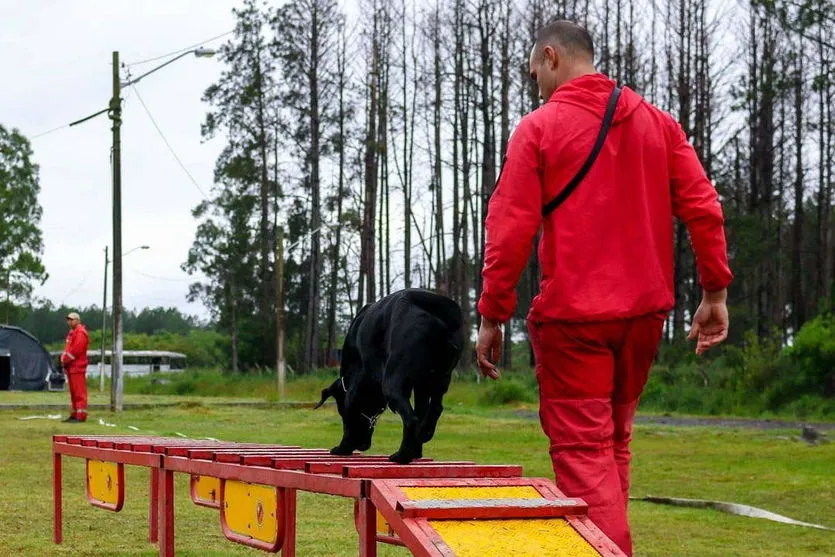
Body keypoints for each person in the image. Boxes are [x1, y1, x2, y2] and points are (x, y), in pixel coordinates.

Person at [475, 20, 732, 556]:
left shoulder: (539, 129)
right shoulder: (658, 123)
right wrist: (714, 294)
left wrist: (493, 314)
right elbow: (704, 207)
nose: (536, 87)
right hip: (643, 319)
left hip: (575, 323)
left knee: (585, 454)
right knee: (613, 447)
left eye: (534, 75)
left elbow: (509, 226)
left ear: (550, 57)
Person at [61, 312, 89, 423]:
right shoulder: (72, 333)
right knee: (73, 393)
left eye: (71, 319)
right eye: (68, 319)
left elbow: (76, 351)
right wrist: (63, 360)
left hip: (77, 367)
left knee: (79, 393)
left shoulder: (81, 333)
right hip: (71, 367)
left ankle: (81, 415)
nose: (69, 321)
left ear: (77, 320)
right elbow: (68, 348)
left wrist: (65, 359)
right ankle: (74, 413)